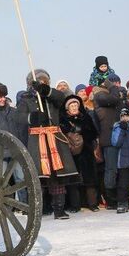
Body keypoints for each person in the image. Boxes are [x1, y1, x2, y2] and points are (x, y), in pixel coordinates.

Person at [16, 69, 80, 219]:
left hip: (55, 140)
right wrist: (32, 118)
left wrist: (46, 91)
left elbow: (61, 98)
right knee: (39, 177)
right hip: (37, 141)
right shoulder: (26, 99)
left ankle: (59, 209)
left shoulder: (53, 97)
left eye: (44, 81)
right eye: (39, 81)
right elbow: (18, 117)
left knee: (57, 176)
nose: (42, 83)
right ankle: (40, 209)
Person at [60, 95, 99, 212]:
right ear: (67, 108)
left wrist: (83, 133)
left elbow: (93, 133)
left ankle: (93, 204)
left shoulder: (86, 117)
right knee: (73, 181)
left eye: (76, 105)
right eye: (72, 106)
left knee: (90, 180)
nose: (74, 107)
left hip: (86, 152)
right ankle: (75, 205)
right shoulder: (63, 120)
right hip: (71, 153)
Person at [92, 79, 124, 209]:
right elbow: (115, 98)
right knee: (111, 170)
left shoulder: (109, 102)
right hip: (110, 140)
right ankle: (112, 200)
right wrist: (112, 86)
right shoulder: (100, 96)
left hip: (115, 138)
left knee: (117, 169)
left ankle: (119, 197)